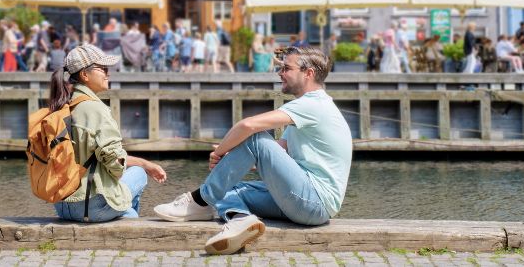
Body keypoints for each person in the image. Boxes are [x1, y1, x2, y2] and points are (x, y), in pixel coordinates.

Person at [153, 47, 352, 255]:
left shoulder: (313, 104)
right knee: (229, 188)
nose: (280, 72)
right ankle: (241, 220)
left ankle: (199, 201)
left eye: (286, 68)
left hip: (314, 203)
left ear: (308, 73)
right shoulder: (308, 108)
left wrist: (219, 152)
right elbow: (275, 154)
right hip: (304, 202)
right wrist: (232, 160)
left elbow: (248, 126)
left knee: (255, 137)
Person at [47, 45, 167, 223]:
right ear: (84, 75)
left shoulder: (63, 105)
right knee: (139, 174)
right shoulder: (96, 109)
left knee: (129, 206)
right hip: (89, 206)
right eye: (102, 69)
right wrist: (141, 167)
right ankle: (126, 216)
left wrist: (145, 162)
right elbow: (115, 162)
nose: (107, 73)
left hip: (62, 205)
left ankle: (127, 215)